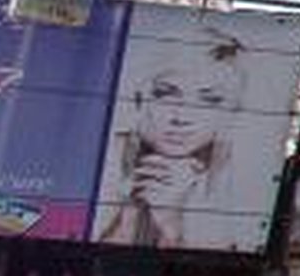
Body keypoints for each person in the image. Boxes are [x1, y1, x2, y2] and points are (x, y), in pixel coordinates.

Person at [96, 26, 246, 247]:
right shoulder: (102, 152)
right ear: (139, 99)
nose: (182, 117)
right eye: (166, 94)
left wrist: (171, 221)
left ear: (230, 112)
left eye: (209, 100)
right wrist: (131, 213)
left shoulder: (233, 169)